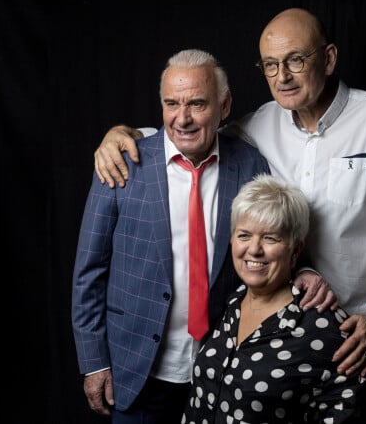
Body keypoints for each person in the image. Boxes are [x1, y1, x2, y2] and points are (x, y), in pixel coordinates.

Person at [93, 7, 366, 423]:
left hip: (358, 337)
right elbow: (192, 134)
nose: (283, 76)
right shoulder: (260, 124)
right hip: (281, 336)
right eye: (270, 65)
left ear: (327, 59)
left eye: (295, 60)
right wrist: (128, 135)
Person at [72, 48, 335, 424]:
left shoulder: (249, 165)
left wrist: (303, 270)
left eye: (197, 103)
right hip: (135, 371)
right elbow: (89, 271)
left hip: (219, 371)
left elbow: (270, 239)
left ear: (224, 106)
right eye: (171, 103)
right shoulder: (121, 166)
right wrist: (93, 362)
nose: (183, 118)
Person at [182, 174, 365, 423]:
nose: (254, 249)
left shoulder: (326, 327)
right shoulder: (232, 303)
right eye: (244, 235)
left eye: (270, 238)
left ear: (295, 249)